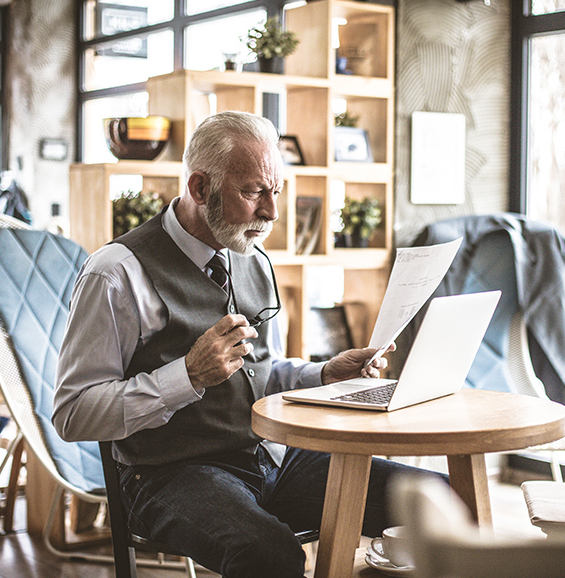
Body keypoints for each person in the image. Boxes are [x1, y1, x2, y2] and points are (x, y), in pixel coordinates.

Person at [52, 111, 441, 578]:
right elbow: (73, 413)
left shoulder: (250, 255)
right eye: (253, 191)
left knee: (441, 505)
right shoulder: (115, 274)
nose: (271, 212)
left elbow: (261, 368)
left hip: (271, 456)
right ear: (199, 188)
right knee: (270, 555)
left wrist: (323, 373)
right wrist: (188, 377)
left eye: (274, 191)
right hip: (167, 473)